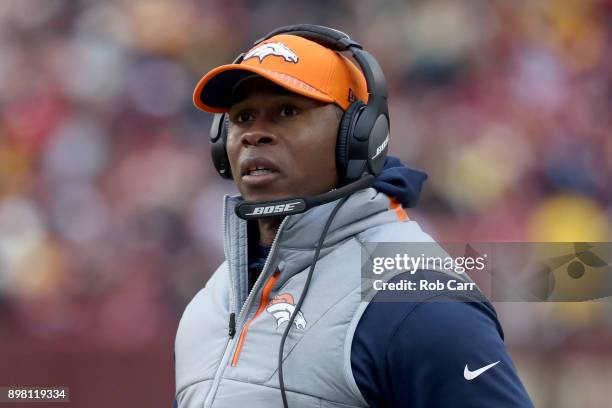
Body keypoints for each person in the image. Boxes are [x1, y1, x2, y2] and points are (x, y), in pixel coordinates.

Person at [174, 25, 533, 408]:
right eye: (243, 117)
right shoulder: (210, 303)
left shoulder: (414, 296)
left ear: (356, 136)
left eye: (287, 111)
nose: (254, 134)